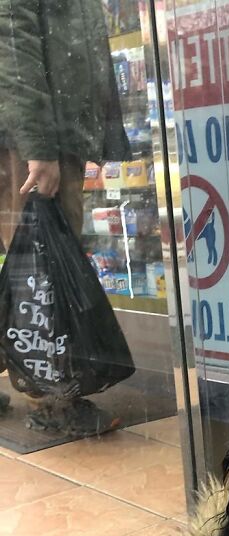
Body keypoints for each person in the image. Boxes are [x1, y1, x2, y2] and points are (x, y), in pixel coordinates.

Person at [0, 0, 130, 434]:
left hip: (36, 132)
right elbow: (14, 45)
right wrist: (38, 145)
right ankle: (50, 398)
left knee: (24, 261)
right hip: (33, 137)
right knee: (38, 268)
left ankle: (42, 385)